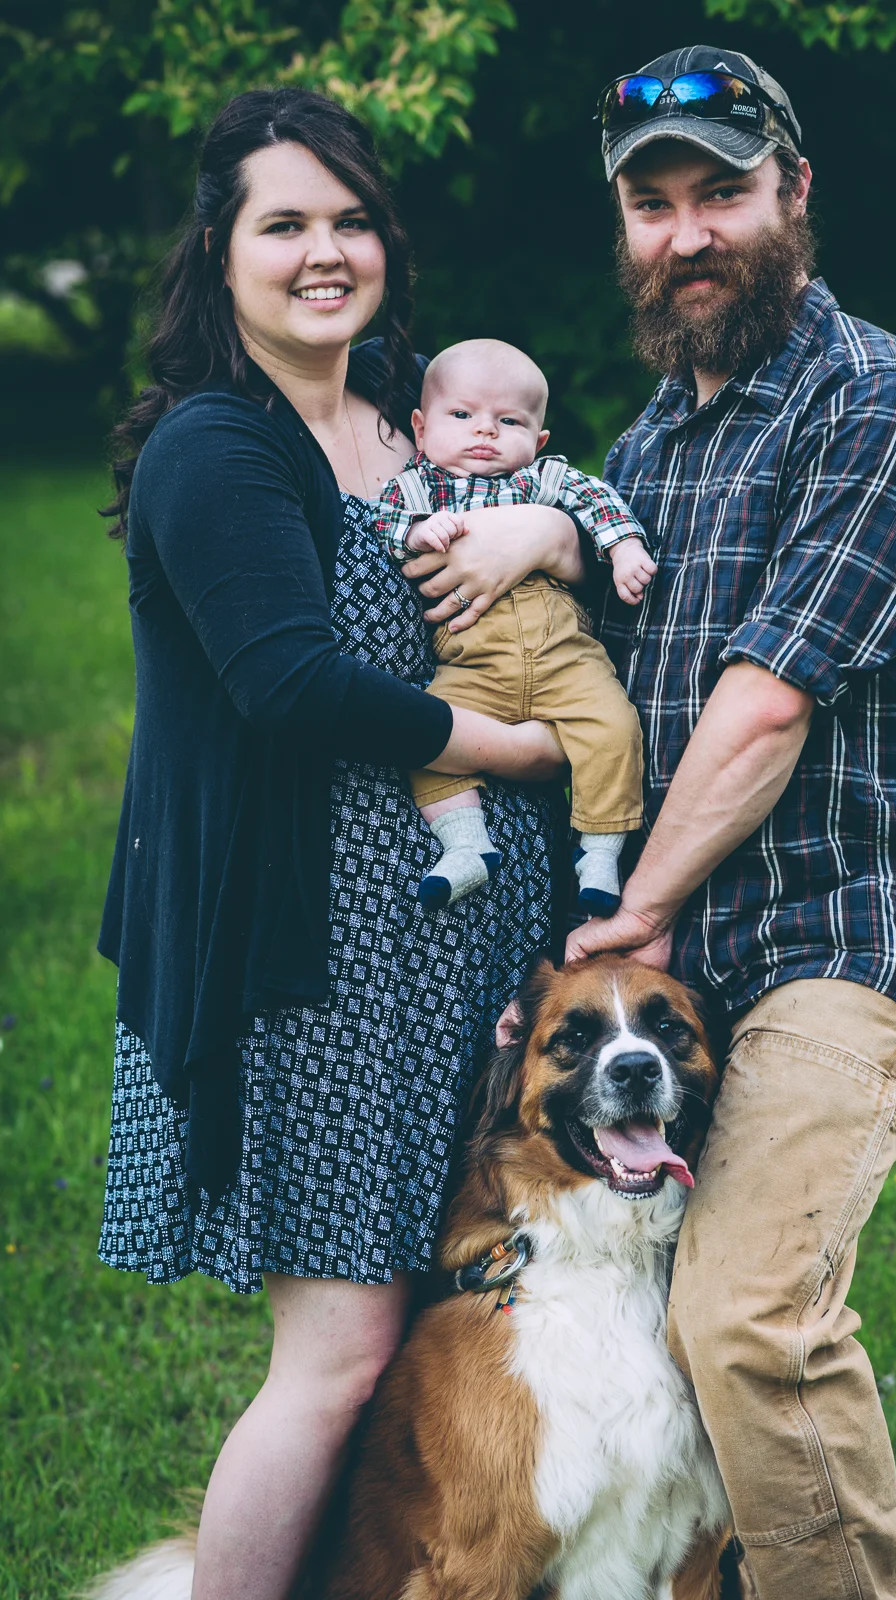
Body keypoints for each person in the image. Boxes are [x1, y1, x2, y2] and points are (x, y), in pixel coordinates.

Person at [96, 88, 581, 1600]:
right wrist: (530, 750)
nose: (325, 252)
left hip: (455, 964)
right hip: (312, 971)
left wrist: (550, 534)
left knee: (452, 1321)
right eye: (285, 223)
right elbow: (291, 686)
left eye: (351, 220)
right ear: (217, 248)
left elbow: (569, 514)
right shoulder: (214, 450)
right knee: (340, 1353)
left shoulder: (407, 415)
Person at [567, 44, 896, 1600]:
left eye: (723, 194)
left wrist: (633, 910)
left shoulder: (877, 401)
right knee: (645, 1323)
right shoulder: (642, 453)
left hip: (845, 924)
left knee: (746, 1313)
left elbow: (764, 708)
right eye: (654, 205)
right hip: (688, 949)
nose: (688, 235)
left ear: (795, 193)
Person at [376, 337, 655, 913]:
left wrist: (625, 548)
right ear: (421, 430)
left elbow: (601, 501)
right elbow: (383, 522)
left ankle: (599, 851)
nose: (485, 431)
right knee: (427, 735)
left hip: (564, 657)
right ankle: (465, 843)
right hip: (470, 661)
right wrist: (415, 532)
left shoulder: (542, 478)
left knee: (615, 727)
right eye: (462, 415)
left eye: (509, 421)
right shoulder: (415, 487)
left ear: (538, 440)